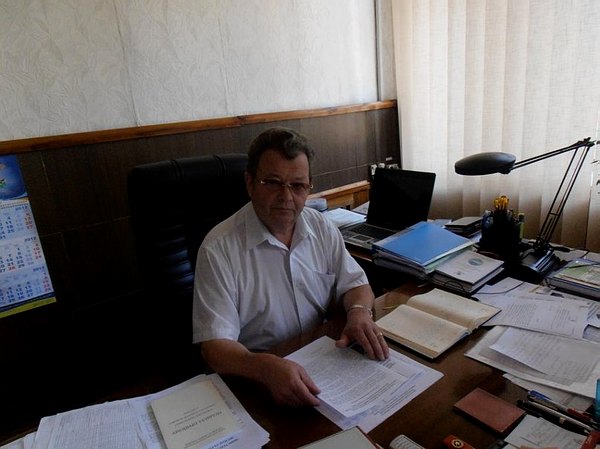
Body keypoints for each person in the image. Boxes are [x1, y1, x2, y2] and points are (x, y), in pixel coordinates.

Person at [192, 127, 389, 407]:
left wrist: (359, 313)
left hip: (322, 360)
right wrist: (264, 367)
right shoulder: (218, 249)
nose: (286, 196)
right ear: (250, 183)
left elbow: (356, 284)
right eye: (273, 182)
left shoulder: (321, 227)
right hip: (254, 376)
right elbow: (214, 348)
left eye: (297, 186)